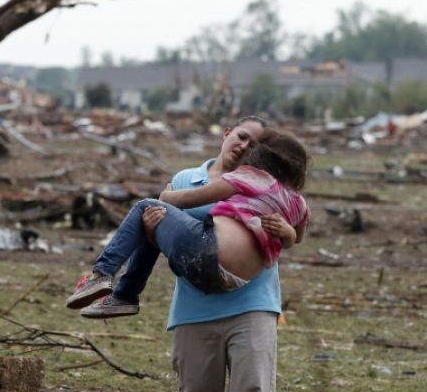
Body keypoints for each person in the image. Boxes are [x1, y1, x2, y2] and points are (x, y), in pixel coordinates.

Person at [66, 127, 309, 317]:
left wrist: (166, 195)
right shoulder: (299, 203)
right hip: (233, 282)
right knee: (157, 220)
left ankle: (103, 275)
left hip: (209, 255)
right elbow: (297, 238)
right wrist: (287, 232)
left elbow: (188, 199)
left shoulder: (251, 176)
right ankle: (124, 296)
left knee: (147, 208)